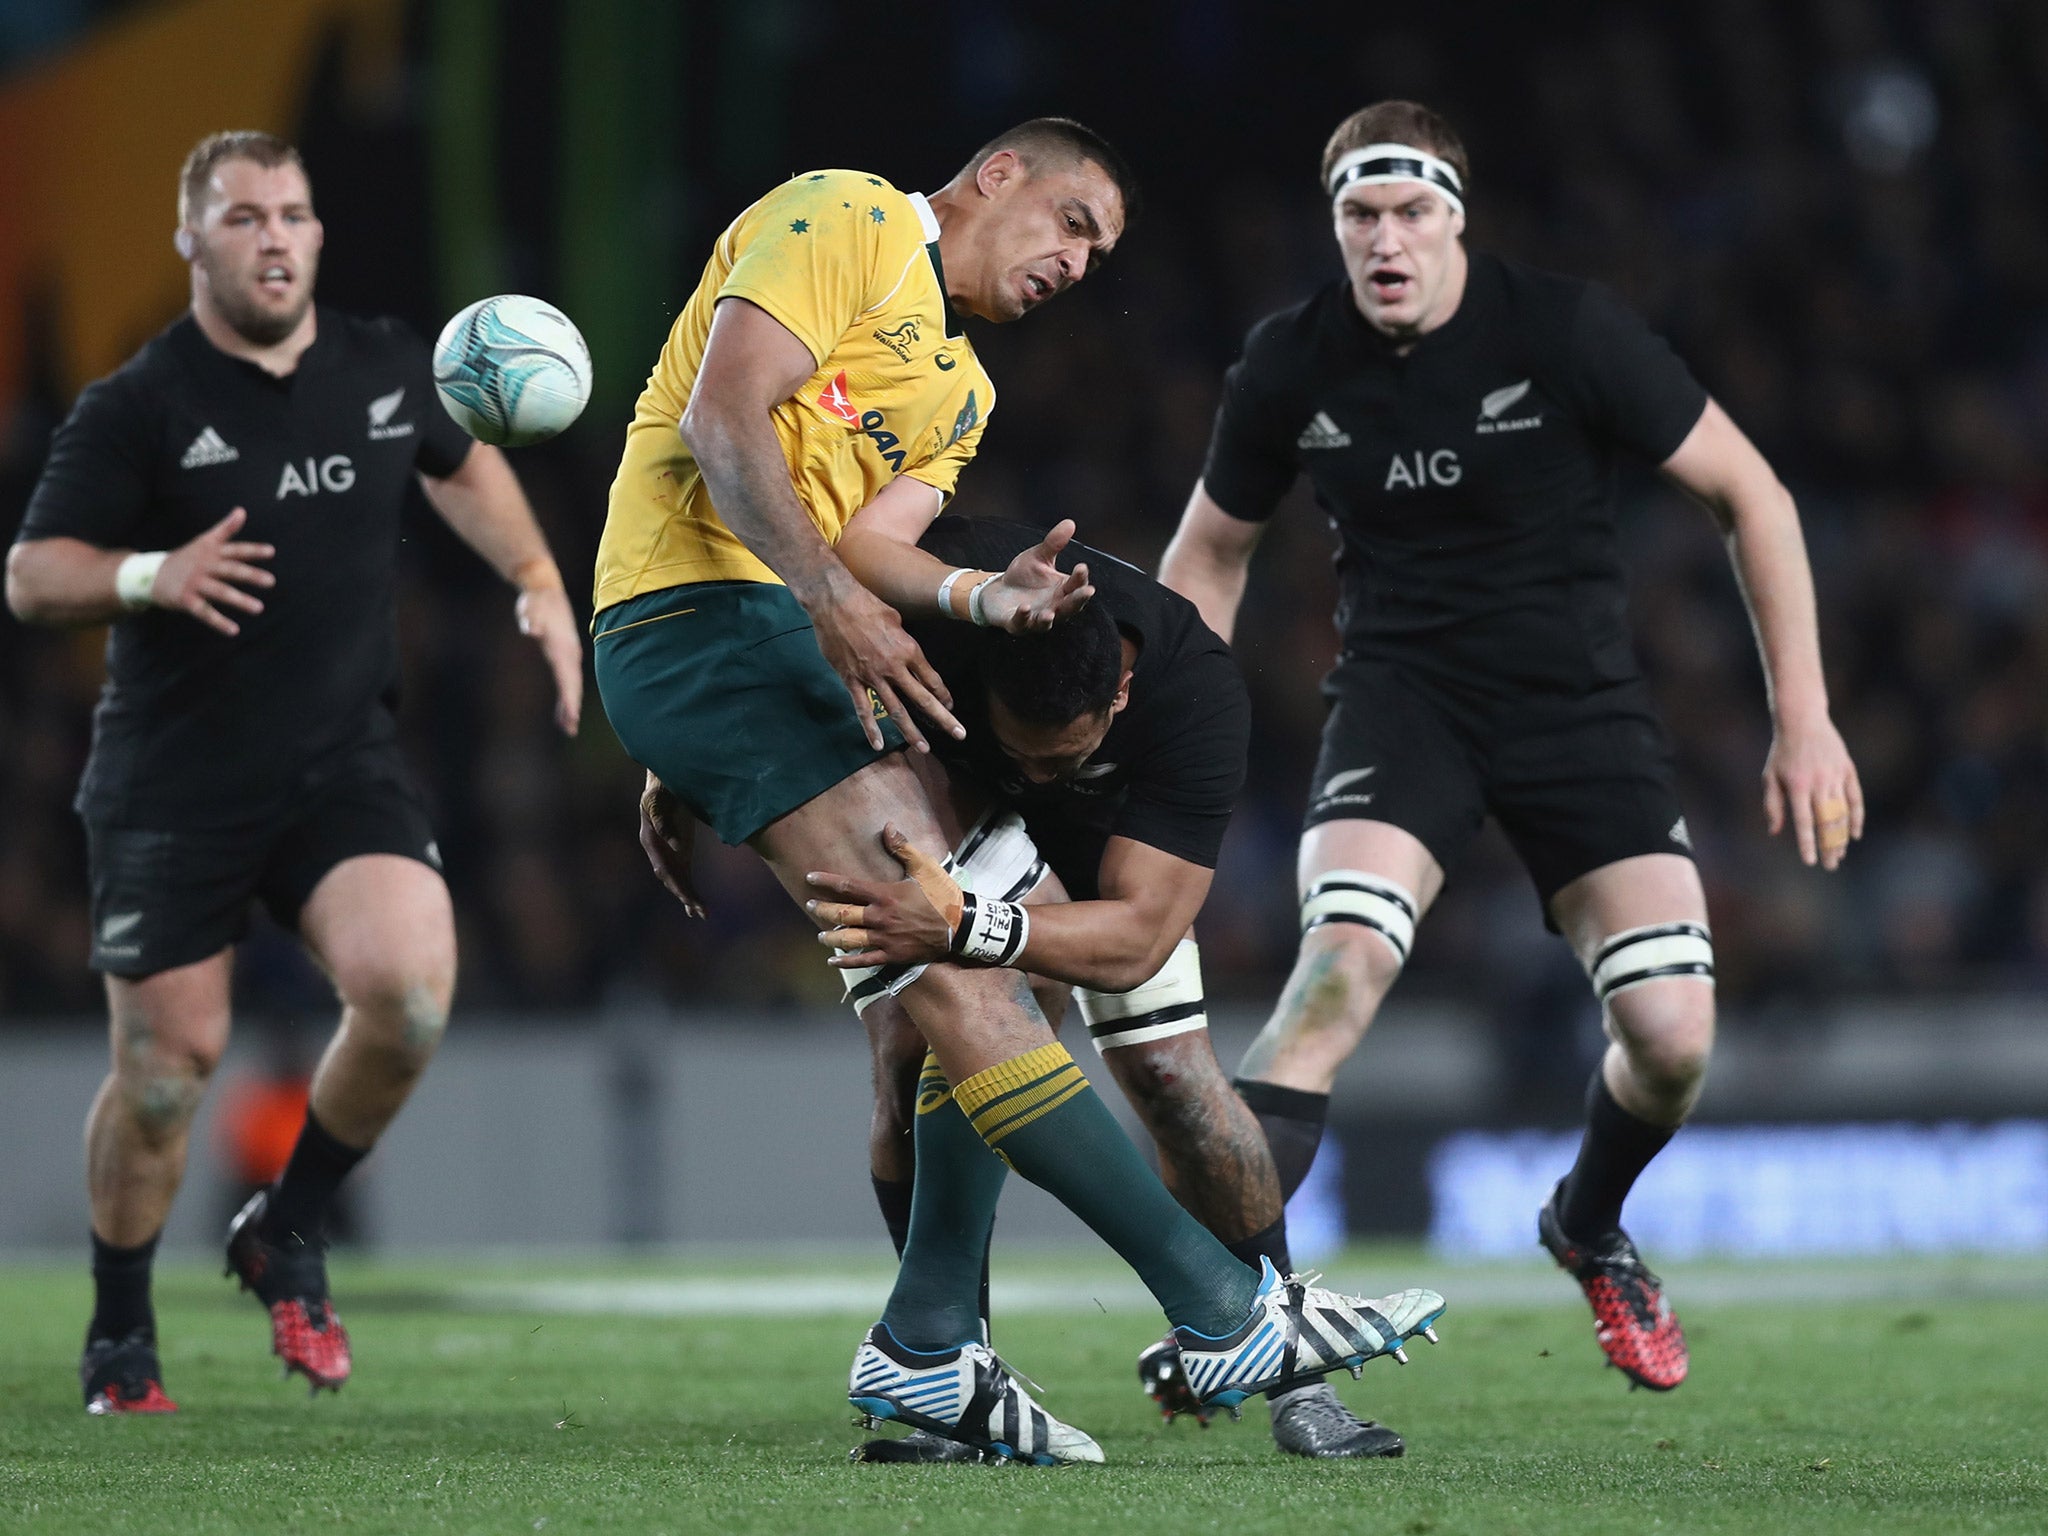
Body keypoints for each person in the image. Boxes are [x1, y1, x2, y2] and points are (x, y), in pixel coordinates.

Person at [594, 118, 1444, 1465]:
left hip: (761, 652)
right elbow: (717, 416)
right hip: (711, 625)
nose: (1076, 263)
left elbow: (878, 545)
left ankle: (934, 1344)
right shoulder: (846, 218)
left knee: (1010, 945)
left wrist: (988, 595)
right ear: (997, 175)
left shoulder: (959, 389)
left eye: (1096, 252)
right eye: (1071, 223)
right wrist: (805, 616)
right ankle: (1223, 1307)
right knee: (967, 982)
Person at [1157, 100, 1862, 1408]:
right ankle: (1237, 1314)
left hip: (1574, 710)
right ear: (1336, 226)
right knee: (1335, 977)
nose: (1386, 240)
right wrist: (1162, 729)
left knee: (1672, 1038)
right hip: (1400, 704)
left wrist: (1805, 718)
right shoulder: (1289, 363)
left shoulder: (1568, 333)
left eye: (1412, 212)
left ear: (1455, 219)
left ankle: (1586, 1223)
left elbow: (1749, 493)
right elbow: (1210, 550)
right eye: (1360, 216)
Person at [6, 131, 585, 1414]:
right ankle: (118, 1332)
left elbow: (462, 458)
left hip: (336, 764)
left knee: (412, 994)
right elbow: (32, 574)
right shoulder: (138, 406)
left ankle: (288, 1226)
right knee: (167, 1072)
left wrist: (538, 581)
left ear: (319, 235)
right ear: (192, 242)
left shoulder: (383, 365)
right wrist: (150, 575)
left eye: (293, 213)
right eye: (243, 216)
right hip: (172, 780)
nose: (273, 235)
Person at [744, 513, 1408, 1459]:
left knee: (1178, 1082)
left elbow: (1139, 938)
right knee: (903, 1062)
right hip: (956, 833)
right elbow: (803, 594)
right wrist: (690, 768)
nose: (1034, 773)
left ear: (1123, 693)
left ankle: (1291, 1376)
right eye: (1017, 750)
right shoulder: (947, 599)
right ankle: (947, 1376)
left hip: (1105, 886)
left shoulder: (1195, 696)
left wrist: (977, 927)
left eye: (1061, 760)